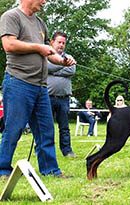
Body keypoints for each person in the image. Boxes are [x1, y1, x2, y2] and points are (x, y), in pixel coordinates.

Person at [0, 0, 76, 179]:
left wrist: (63, 61)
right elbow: (9, 45)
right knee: (13, 129)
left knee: (46, 130)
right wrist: (38, 47)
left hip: (41, 87)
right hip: (18, 82)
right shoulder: (11, 17)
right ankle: (3, 170)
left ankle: (51, 170)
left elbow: (50, 55)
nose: (44, 2)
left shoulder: (40, 23)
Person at [47, 31, 77, 158]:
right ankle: (48, 153)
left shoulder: (68, 56)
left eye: (63, 43)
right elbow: (46, 67)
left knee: (64, 128)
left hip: (64, 99)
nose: (61, 45)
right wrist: (61, 67)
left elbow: (72, 69)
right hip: (47, 98)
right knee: (47, 127)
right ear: (52, 42)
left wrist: (54, 71)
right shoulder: (47, 55)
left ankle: (67, 151)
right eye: (59, 42)